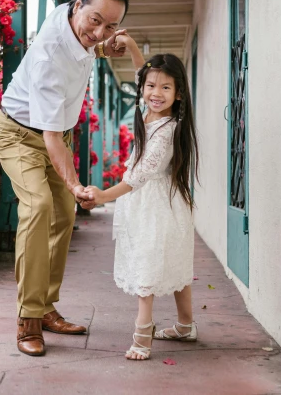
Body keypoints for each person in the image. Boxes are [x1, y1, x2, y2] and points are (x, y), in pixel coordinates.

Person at [0, 0, 130, 357]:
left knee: (63, 216)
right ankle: (28, 319)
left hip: (54, 135)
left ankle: (45, 307)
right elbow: (51, 138)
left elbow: (87, 46)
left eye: (111, 25)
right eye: (96, 21)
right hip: (19, 134)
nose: (100, 32)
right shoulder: (50, 55)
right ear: (77, 6)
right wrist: (73, 183)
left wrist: (104, 48)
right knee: (38, 206)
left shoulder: (75, 20)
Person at [85, 35, 200, 361]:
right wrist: (133, 46)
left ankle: (143, 336)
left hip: (158, 203)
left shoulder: (168, 129)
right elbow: (141, 74)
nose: (156, 93)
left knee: (151, 268)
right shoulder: (146, 110)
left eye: (166, 88)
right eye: (152, 86)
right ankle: (185, 326)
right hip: (146, 202)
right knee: (173, 264)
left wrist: (103, 195)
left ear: (179, 95)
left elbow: (138, 177)